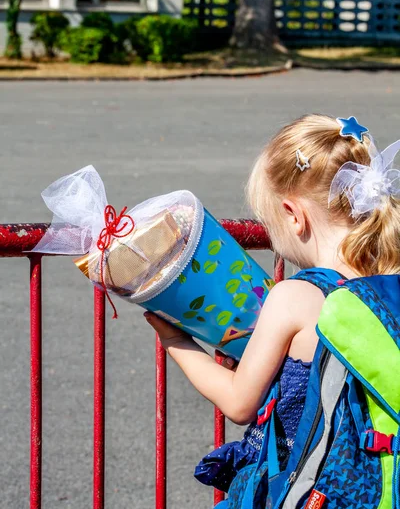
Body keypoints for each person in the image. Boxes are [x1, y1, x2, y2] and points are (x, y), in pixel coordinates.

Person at [144, 114, 400, 498]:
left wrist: (172, 338)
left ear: (294, 216)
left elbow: (239, 402)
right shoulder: (390, 282)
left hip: (312, 489)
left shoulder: (295, 297)